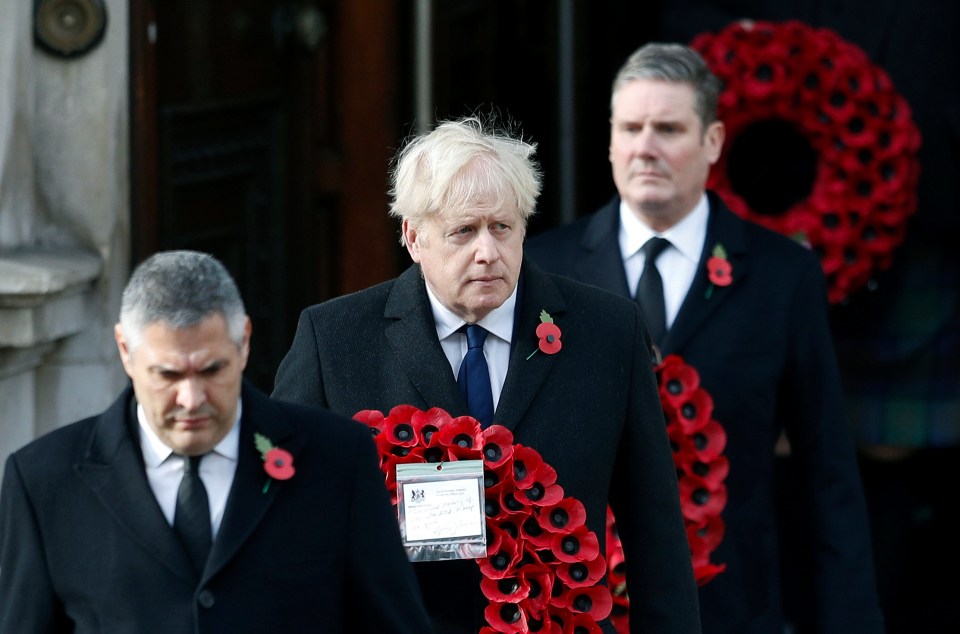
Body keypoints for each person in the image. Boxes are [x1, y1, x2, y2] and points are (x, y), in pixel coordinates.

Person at [272, 115, 702, 633]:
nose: (487, 252)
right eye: (463, 231)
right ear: (413, 238)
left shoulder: (606, 333)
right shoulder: (334, 341)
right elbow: (286, 527)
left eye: (502, 227)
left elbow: (655, 534)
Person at [525, 43, 884, 633]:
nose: (645, 147)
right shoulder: (543, 269)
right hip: (583, 609)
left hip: (735, 605)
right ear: (610, 139)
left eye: (668, 128)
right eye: (631, 127)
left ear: (713, 143)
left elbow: (828, 473)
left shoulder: (780, 276)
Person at [0, 250, 431, 634]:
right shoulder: (43, 483)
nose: (191, 399)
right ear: (125, 351)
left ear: (244, 342)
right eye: (167, 375)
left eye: (211, 371)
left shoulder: (337, 460)